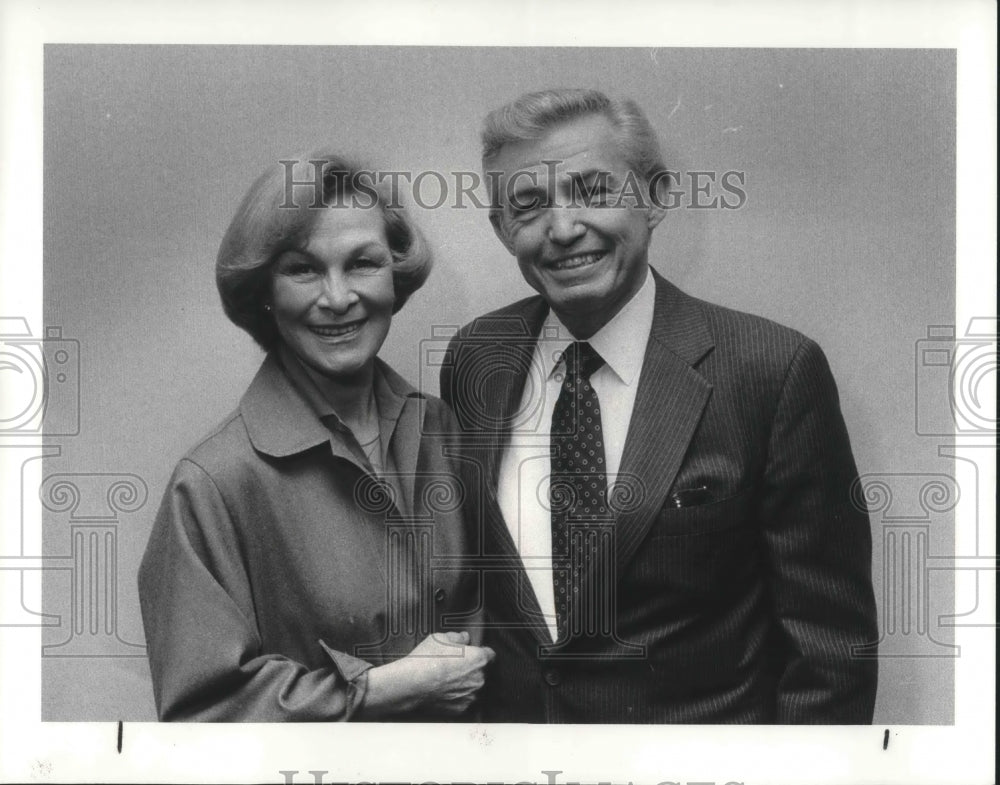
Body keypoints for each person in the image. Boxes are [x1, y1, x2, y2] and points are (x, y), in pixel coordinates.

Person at [440, 88, 878, 723]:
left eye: (593, 192)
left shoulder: (771, 371)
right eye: (528, 206)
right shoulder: (478, 356)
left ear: (657, 197)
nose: (562, 230)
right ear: (502, 229)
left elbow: (831, 651)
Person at [138, 151, 493, 721]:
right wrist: (377, 691)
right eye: (304, 269)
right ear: (264, 292)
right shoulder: (212, 484)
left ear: (396, 275)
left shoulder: (440, 428)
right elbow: (201, 714)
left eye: (362, 263)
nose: (337, 298)